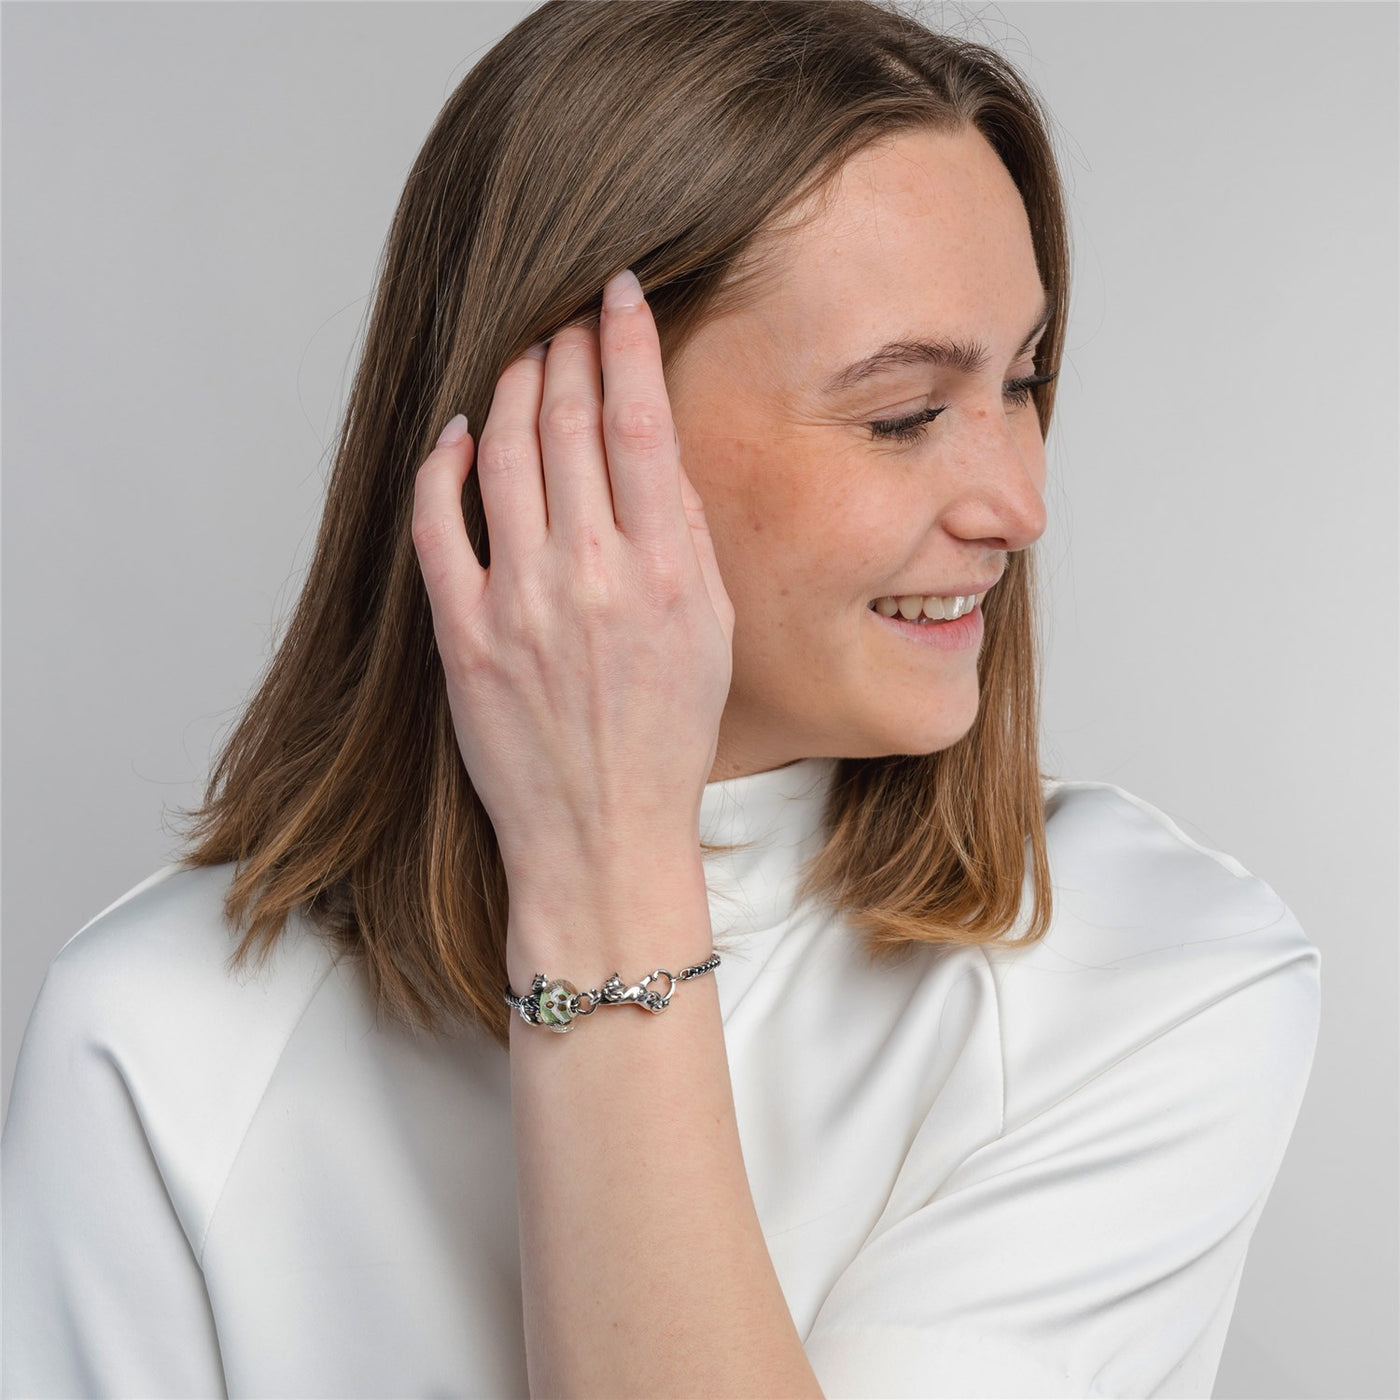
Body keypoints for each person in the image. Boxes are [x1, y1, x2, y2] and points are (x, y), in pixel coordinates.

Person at [2, 2, 1322, 1397]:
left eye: (1025, 381)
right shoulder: (154, 1041)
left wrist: (606, 870)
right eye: (903, 415)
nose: (1020, 504)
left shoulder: (1154, 972)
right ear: (547, 436)